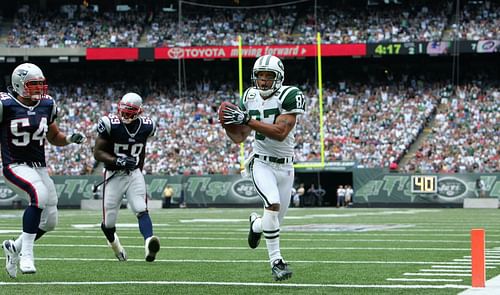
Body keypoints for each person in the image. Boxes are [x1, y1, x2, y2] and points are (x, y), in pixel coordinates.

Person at [221, 54, 305, 281]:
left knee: (273, 220)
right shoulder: (249, 96)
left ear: (279, 78)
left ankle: (256, 225)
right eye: (261, 75)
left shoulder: (291, 95)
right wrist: (227, 126)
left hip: (286, 167)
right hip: (262, 162)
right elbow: (239, 138)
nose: (265, 81)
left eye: (270, 76)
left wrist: (247, 119)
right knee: (272, 204)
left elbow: (280, 133)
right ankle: (277, 262)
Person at [1, 63, 86, 278]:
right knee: (38, 194)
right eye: (33, 84)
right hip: (14, 165)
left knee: (50, 221)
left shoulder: (47, 104)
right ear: (19, 85)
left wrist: (68, 139)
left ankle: (14, 248)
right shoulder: (5, 104)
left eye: (40, 84)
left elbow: (53, 136)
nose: (39, 89)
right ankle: (27, 255)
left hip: (39, 167)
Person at [93, 92, 160, 262]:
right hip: (113, 175)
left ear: (139, 112)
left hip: (133, 174)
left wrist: (139, 169)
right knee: (108, 223)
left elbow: (142, 149)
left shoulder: (147, 126)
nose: (125, 115)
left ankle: (148, 243)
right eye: (124, 111)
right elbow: (98, 153)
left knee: (141, 208)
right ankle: (115, 246)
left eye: (130, 112)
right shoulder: (110, 124)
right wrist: (118, 161)